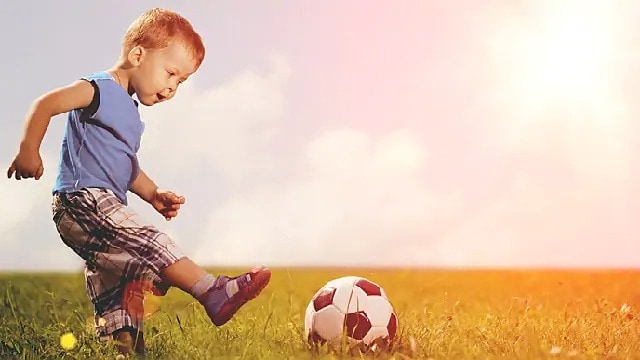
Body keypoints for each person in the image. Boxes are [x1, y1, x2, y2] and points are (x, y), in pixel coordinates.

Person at [6, 8, 271, 356]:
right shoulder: (98, 88)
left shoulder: (131, 114)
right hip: (83, 199)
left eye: (181, 81)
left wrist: (153, 194)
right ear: (137, 55)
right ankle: (212, 291)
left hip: (102, 205)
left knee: (116, 288)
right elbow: (46, 104)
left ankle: (126, 348)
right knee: (152, 242)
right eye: (171, 73)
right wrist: (29, 149)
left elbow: (126, 167)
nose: (173, 87)